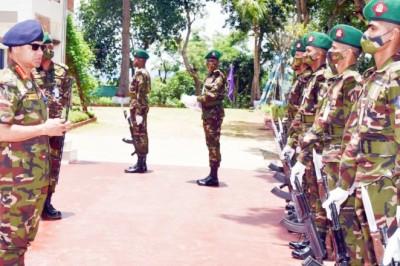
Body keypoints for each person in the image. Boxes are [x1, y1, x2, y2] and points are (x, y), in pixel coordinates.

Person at [323, 0, 400, 264]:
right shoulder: (373, 76)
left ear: (395, 35)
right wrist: (344, 183)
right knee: (369, 255)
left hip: (388, 183)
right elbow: (354, 135)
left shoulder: (397, 76)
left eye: (372, 28)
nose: (366, 36)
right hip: (366, 179)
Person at [0, 19, 70, 265]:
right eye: (35, 47)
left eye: (41, 47)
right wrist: (44, 128)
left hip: (32, 181)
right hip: (13, 183)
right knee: (8, 246)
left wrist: (54, 127)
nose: (41, 52)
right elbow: (2, 131)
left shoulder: (31, 81)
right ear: (16, 49)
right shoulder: (8, 83)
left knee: (20, 244)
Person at [293, 25, 364, 264]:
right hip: (328, 153)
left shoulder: (352, 81)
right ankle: (325, 251)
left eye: (335, 48)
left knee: (344, 219)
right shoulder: (337, 80)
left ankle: (336, 255)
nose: (331, 52)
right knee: (330, 210)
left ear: (348, 53)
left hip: (340, 156)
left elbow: (354, 126)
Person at [283, 32, 333, 260]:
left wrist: (300, 144)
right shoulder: (314, 76)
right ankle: (312, 241)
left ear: (320, 53)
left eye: (309, 50)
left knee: (317, 198)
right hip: (306, 142)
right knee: (311, 196)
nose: (305, 55)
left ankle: (318, 246)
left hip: (315, 145)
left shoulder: (323, 77)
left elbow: (319, 116)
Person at [33, 32, 73, 220]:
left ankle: (46, 203)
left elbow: (66, 98)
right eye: (45, 46)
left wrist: (64, 121)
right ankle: (31, 202)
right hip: (35, 128)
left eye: (51, 46)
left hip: (55, 128)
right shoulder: (30, 72)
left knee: (53, 165)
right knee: (32, 164)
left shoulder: (62, 71)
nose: (48, 49)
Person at [196, 49, 226, 187]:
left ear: (217, 62)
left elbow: (212, 95)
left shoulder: (218, 76)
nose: (210, 63)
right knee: (210, 143)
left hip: (214, 114)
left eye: (213, 61)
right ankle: (212, 175)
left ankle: (214, 177)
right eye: (208, 61)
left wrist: (195, 99)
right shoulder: (208, 76)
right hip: (208, 113)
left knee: (213, 144)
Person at [125, 49, 151, 174]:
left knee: (140, 134)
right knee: (139, 133)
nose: (133, 60)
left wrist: (139, 111)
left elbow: (140, 93)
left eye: (135, 59)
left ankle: (141, 164)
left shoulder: (141, 74)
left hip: (138, 107)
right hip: (137, 106)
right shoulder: (141, 72)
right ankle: (141, 163)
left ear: (141, 60)